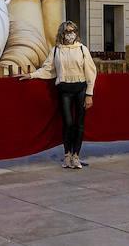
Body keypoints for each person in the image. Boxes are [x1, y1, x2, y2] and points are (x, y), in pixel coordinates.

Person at [21, 20, 96, 169]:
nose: (71, 34)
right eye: (68, 31)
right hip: (64, 90)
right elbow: (47, 69)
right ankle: (67, 155)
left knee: (79, 124)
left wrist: (89, 94)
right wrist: (32, 75)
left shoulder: (82, 49)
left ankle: (76, 156)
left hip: (80, 89)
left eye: (73, 30)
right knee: (68, 123)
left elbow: (91, 71)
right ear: (62, 33)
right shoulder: (56, 50)